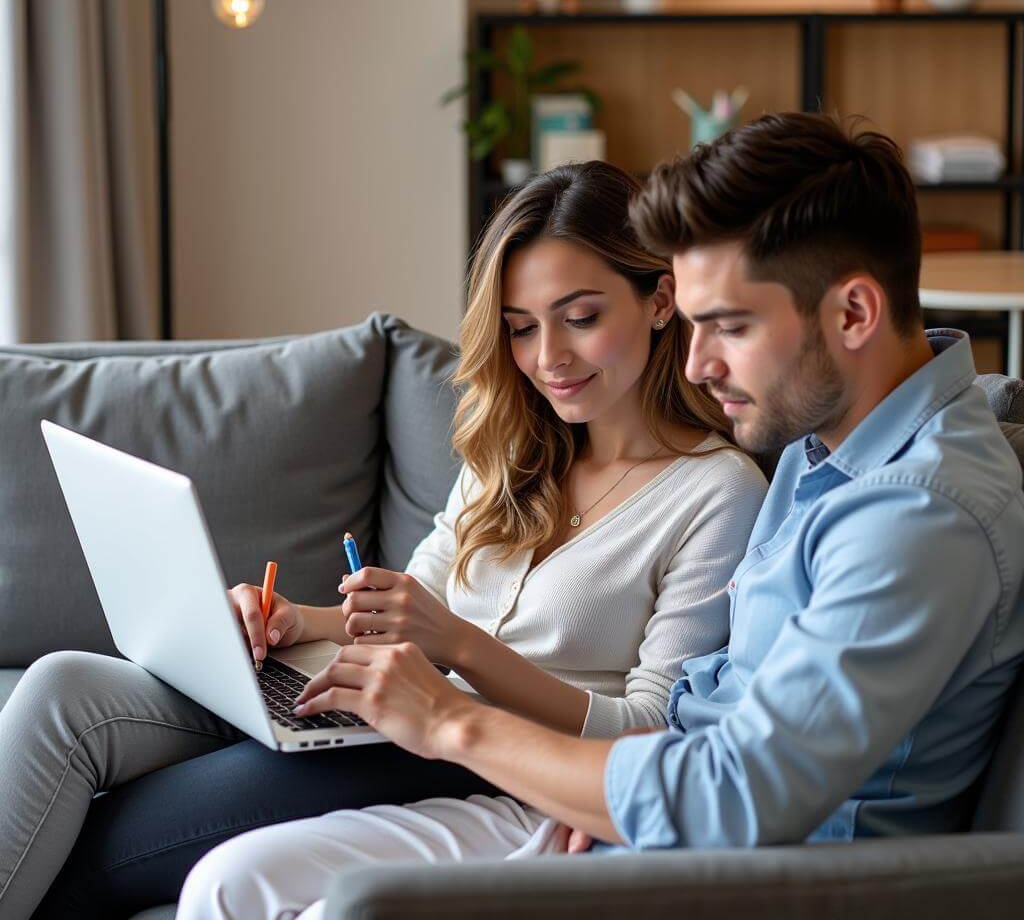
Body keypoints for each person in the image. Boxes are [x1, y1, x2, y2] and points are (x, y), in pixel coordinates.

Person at [177, 112, 1024, 919]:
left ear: (853, 314)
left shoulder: (916, 515)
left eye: (728, 327)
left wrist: (448, 720)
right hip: (642, 818)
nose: (697, 363)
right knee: (230, 886)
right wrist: (606, 785)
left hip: (748, 879)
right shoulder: (826, 450)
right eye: (694, 324)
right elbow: (709, 708)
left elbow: (738, 795)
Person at [0, 161, 766, 920]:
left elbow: (652, 732)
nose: (547, 360)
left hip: (483, 758)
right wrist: (296, 621)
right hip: (386, 715)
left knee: (104, 850)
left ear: (660, 299)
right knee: (65, 686)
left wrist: (462, 649)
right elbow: (415, 604)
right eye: (521, 329)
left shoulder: (716, 491)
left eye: (581, 317)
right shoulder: (516, 451)